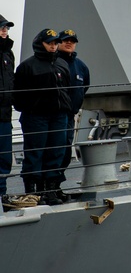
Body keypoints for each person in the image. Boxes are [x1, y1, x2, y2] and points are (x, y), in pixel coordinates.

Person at [13, 29, 71, 205]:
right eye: (49, 43)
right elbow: (18, 95)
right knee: (35, 153)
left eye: (55, 43)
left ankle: (50, 190)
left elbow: (68, 88)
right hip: (36, 117)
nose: (53, 46)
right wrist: (32, 108)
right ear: (41, 44)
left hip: (59, 115)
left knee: (56, 151)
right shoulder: (27, 66)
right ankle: (33, 192)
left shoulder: (62, 64)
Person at [54, 29, 89, 199]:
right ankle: (45, 189)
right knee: (54, 150)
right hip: (53, 116)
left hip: (69, 116)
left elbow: (85, 85)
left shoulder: (81, 66)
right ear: (58, 42)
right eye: (65, 40)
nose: (69, 43)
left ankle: (56, 186)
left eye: (72, 41)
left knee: (65, 151)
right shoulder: (52, 62)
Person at [0, 15, 15, 207]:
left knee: (4, 157)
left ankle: (1, 194)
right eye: (2, 27)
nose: (5, 30)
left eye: (6, 28)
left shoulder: (8, 54)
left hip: (4, 114)